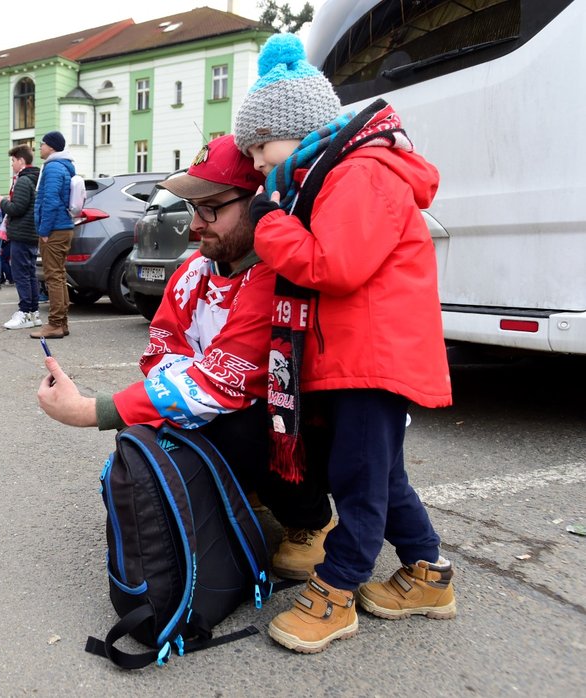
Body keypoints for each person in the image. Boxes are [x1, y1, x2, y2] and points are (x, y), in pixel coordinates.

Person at [233, 33, 454, 653]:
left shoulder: (361, 172)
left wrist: (270, 222)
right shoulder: (335, 173)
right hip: (357, 352)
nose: (254, 161)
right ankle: (429, 574)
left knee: (358, 476)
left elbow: (335, 265)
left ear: (300, 129)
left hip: (372, 356)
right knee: (381, 475)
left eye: (259, 146)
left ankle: (338, 588)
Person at [37, 133, 334, 573]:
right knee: (164, 412)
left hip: (309, 420)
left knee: (236, 416)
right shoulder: (193, 271)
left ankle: (309, 517)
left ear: (258, 202)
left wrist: (90, 410)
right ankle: (247, 488)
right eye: (195, 208)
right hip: (231, 399)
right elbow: (162, 349)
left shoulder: (277, 274)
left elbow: (224, 381)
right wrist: (170, 397)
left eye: (211, 208)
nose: (195, 225)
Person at [31, 130, 76, 339]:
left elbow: (50, 200)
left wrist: (44, 230)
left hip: (55, 229)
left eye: (42, 144)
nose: (40, 147)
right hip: (62, 226)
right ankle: (62, 322)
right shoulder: (63, 166)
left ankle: (56, 323)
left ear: (51, 147)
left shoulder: (53, 167)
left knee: (53, 276)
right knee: (58, 274)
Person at [0, 145, 41, 329]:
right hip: (30, 233)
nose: (12, 165)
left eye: (13, 161)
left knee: (22, 274)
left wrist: (2, 202)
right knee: (30, 273)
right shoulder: (34, 179)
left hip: (22, 233)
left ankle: (25, 312)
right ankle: (33, 312)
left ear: (21, 161)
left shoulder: (23, 181)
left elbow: (17, 208)